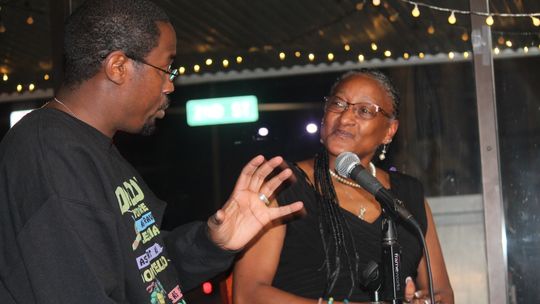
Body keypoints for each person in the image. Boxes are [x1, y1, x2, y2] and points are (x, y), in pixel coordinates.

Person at [0, 1, 303, 303]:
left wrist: (213, 242)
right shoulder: (51, 153)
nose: (170, 85)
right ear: (118, 67)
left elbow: (146, 271)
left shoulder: (91, 148)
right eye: (165, 68)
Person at [233, 69, 454, 303]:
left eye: (364, 110)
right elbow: (248, 295)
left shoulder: (409, 195)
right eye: (338, 104)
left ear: (389, 131)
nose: (346, 117)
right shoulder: (282, 184)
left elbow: (442, 293)